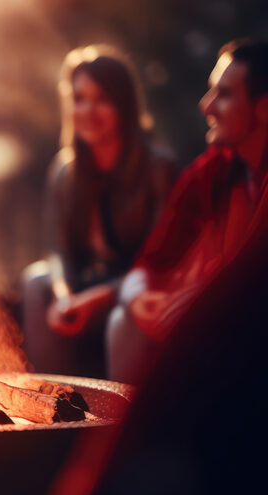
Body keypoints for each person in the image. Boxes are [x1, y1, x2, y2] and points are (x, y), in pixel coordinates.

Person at [105, 39, 268, 384]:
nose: (206, 105)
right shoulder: (212, 172)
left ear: (264, 107)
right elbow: (155, 255)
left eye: (223, 94)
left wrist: (204, 299)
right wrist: (139, 298)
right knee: (124, 321)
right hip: (218, 331)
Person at [19, 45, 178, 378]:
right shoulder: (66, 170)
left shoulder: (158, 168)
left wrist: (97, 299)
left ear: (125, 105)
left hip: (133, 290)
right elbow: (57, 252)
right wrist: (64, 297)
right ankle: (54, 409)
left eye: (102, 98)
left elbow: (161, 262)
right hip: (83, 287)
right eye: (79, 99)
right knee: (36, 282)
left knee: (129, 309)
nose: (88, 110)